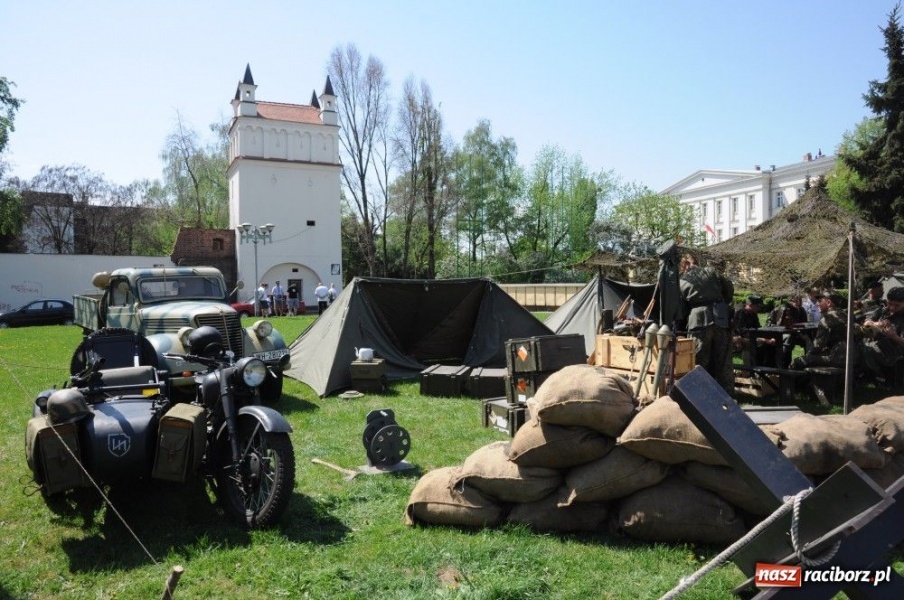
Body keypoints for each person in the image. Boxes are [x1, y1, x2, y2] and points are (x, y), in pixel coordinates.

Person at [679, 254, 735, 394]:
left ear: (684, 265)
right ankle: (726, 394)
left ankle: (700, 394)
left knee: (699, 360)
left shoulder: (682, 280)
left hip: (698, 320)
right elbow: (729, 289)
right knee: (724, 360)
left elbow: (681, 307)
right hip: (720, 317)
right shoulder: (711, 271)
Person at [791, 290, 849, 369]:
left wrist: (808, 356)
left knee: (797, 362)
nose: (817, 304)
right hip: (852, 358)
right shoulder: (845, 315)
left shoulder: (827, 319)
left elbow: (817, 346)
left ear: (829, 303)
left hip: (836, 359)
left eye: (820, 301)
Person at [859, 285, 904, 381]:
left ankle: (879, 376)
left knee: (868, 350)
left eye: (897, 305)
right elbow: (867, 322)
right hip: (874, 345)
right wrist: (878, 324)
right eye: (890, 304)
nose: (892, 307)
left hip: (894, 353)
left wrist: (894, 336)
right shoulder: (883, 310)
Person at [732, 295, 776, 366]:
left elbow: (758, 328)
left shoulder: (753, 314)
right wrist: (763, 339)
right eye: (758, 306)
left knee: (771, 342)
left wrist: (767, 337)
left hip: (750, 337)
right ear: (750, 305)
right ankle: (750, 367)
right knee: (759, 343)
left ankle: (767, 366)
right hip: (738, 338)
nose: (759, 308)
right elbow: (741, 331)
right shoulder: (740, 312)